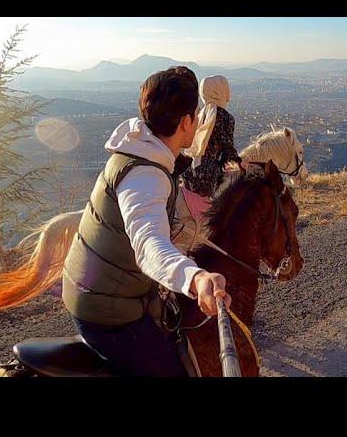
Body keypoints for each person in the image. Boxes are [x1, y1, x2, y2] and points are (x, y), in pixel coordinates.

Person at [61, 66, 231, 377]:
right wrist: (195, 279)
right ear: (185, 122)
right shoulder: (145, 176)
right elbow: (149, 243)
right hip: (107, 308)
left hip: (109, 287)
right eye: (195, 114)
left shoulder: (141, 150)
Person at [182, 75, 243, 198]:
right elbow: (228, 151)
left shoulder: (199, 114)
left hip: (188, 173)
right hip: (210, 177)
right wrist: (241, 164)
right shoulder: (226, 118)